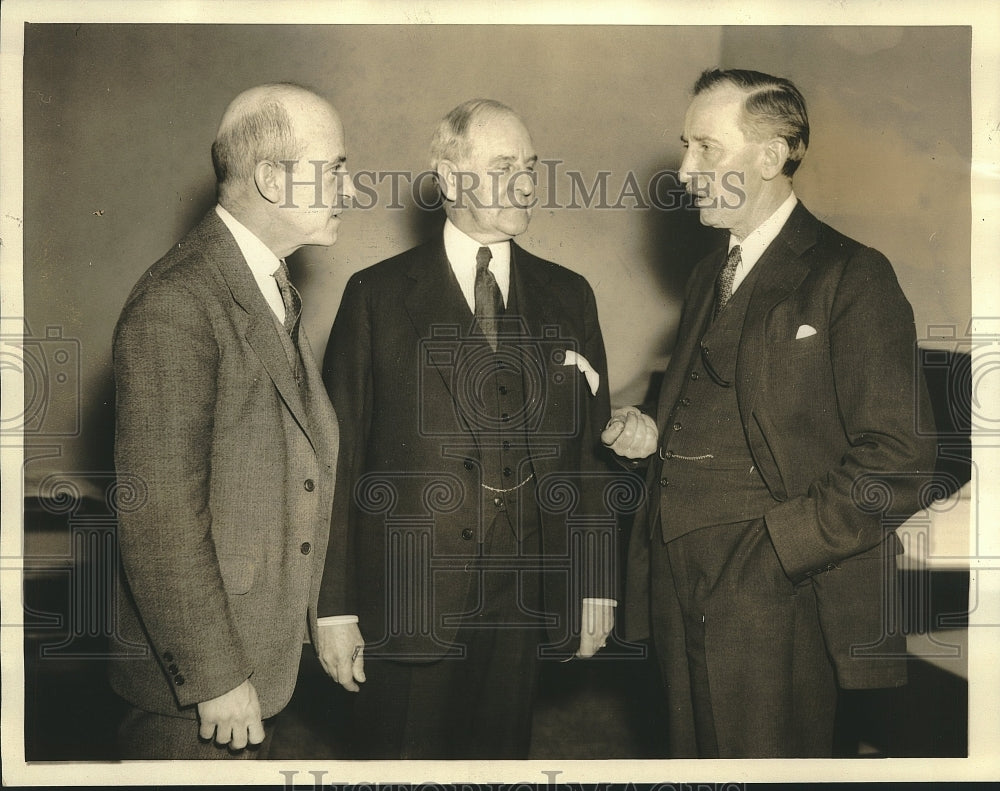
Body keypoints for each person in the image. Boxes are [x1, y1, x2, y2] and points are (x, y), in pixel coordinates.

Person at [604, 69, 937, 758]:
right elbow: (734, 412)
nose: (686, 170)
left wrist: (778, 549)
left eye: (706, 148)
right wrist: (653, 433)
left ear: (770, 154)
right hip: (675, 578)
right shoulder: (707, 274)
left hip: (773, 598)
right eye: (685, 148)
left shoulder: (853, 275)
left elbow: (899, 459)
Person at [320, 98, 616, 759]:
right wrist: (333, 608)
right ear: (450, 179)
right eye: (504, 166)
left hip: (525, 601)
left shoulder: (571, 295)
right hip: (409, 597)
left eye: (532, 167)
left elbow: (591, 460)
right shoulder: (375, 296)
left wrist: (595, 582)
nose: (527, 181)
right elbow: (336, 463)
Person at [109, 83, 362, 759]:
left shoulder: (264, 284)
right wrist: (216, 676)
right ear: (274, 179)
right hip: (198, 695)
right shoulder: (179, 301)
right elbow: (159, 514)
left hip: (257, 671)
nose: (352, 187)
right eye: (335, 168)